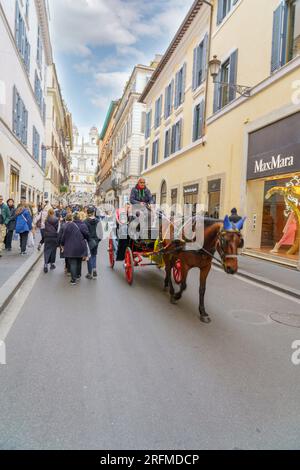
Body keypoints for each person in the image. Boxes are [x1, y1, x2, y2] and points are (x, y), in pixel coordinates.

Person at [60, 212, 89, 286]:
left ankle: (73, 280)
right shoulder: (83, 225)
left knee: (73, 262)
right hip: (80, 245)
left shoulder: (68, 225)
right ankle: (78, 275)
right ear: (79, 218)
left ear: (73, 218)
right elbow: (87, 235)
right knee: (79, 260)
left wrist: (62, 244)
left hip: (70, 246)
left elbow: (64, 236)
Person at [84, 207, 102, 280]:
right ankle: (94, 269)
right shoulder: (98, 221)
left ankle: (89, 273)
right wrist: (98, 240)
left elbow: (84, 232)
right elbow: (101, 233)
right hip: (96, 241)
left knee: (89, 256)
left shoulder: (85, 221)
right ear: (93, 213)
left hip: (89, 241)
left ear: (87, 213)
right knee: (94, 255)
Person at [43, 208, 59, 273]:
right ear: (53, 213)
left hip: (47, 236)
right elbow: (57, 228)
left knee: (47, 250)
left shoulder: (46, 219)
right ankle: (52, 264)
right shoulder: (56, 219)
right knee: (53, 251)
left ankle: (45, 264)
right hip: (54, 236)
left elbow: (44, 228)